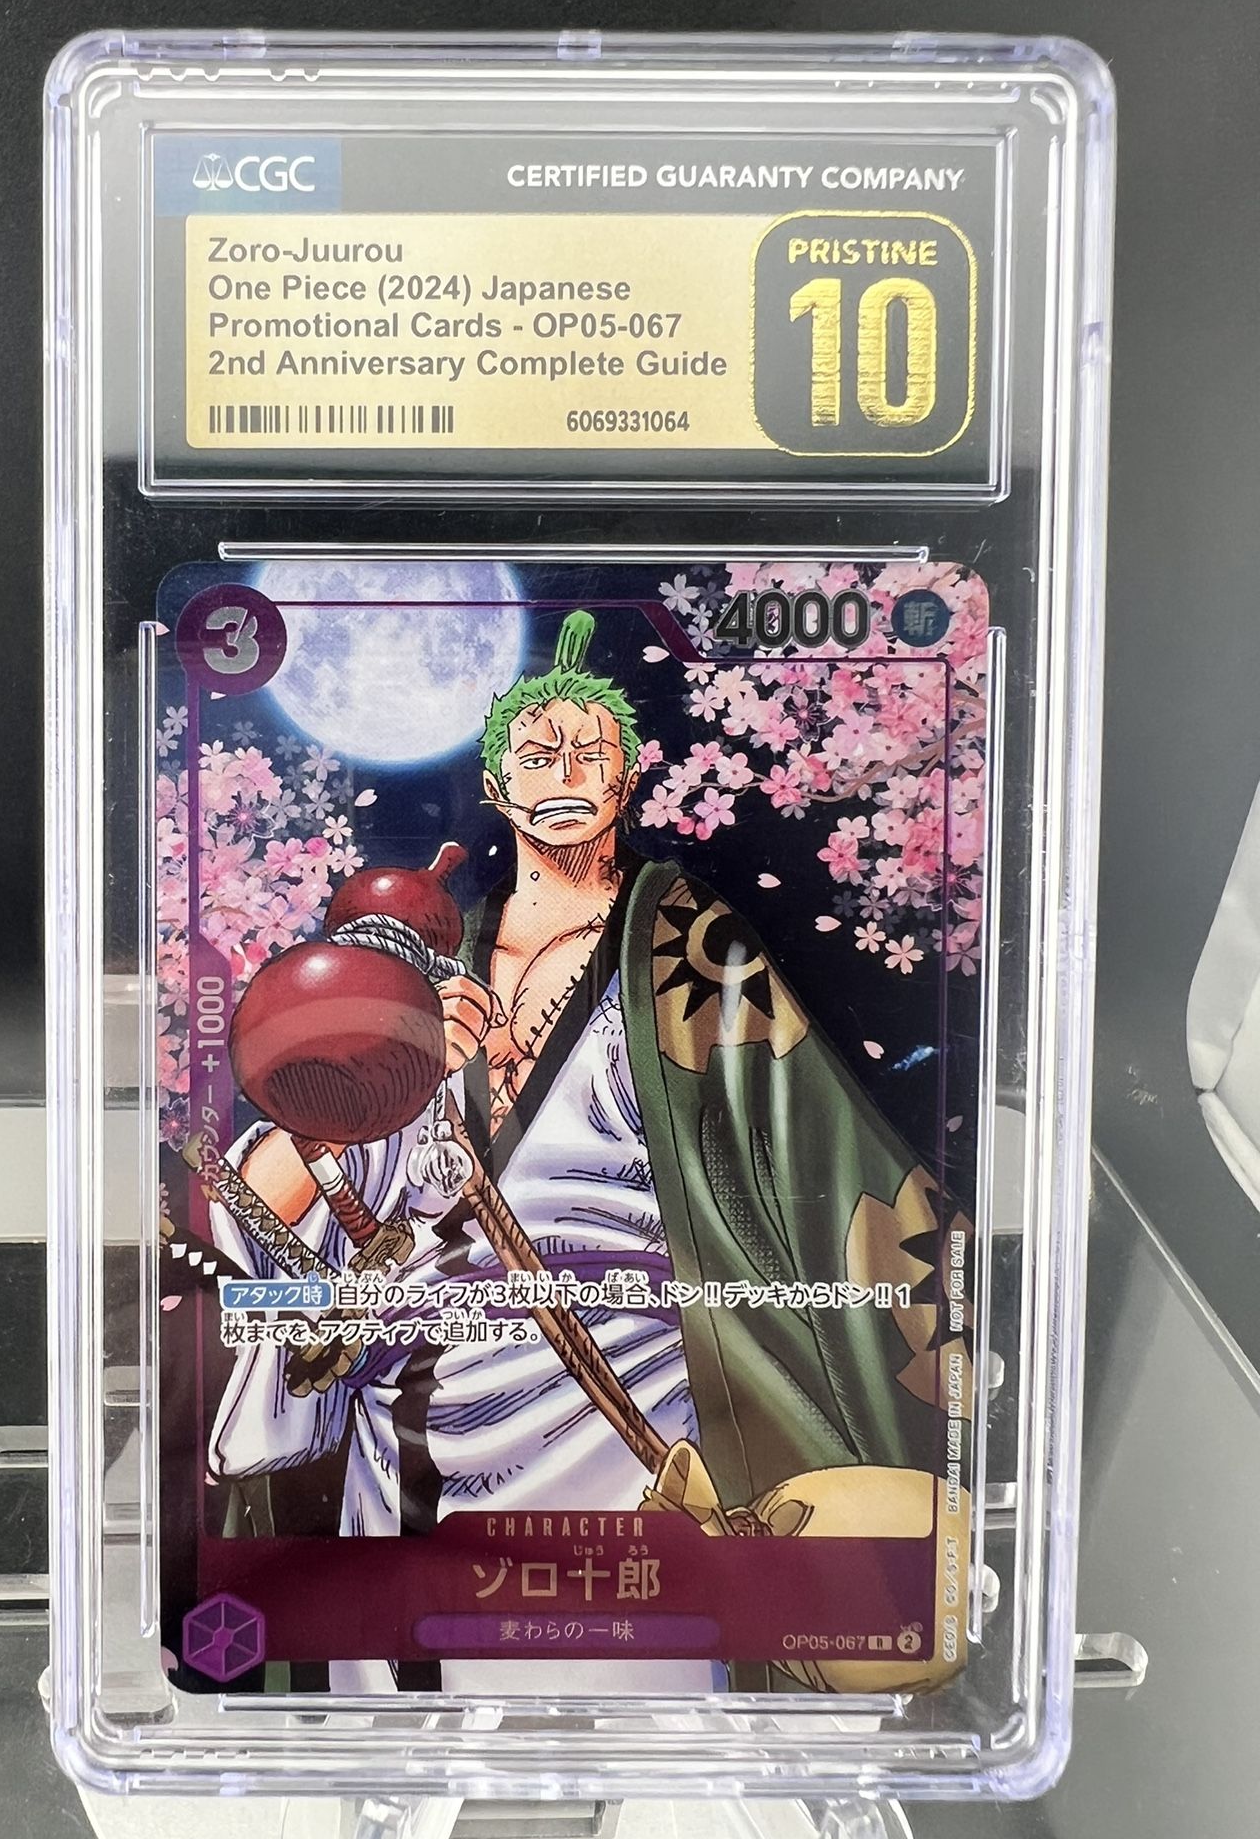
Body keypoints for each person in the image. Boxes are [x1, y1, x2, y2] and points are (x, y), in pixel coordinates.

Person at [208, 612, 967, 1693]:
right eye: (535, 754)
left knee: (640, 1682)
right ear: (495, 785)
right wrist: (390, 1074)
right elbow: (274, 1198)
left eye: (587, 753)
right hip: (413, 1409)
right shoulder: (418, 972)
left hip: (631, 1397)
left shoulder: (690, 951)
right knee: (401, 1700)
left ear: (628, 775)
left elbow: (811, 1152)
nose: (562, 773)